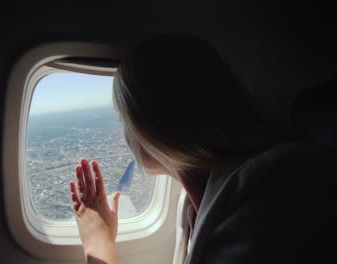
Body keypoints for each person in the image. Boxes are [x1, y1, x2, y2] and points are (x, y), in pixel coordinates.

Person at [68, 35, 336, 264]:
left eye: (125, 119)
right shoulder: (195, 203)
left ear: (154, 124)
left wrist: (98, 245)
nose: (124, 136)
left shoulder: (261, 221)